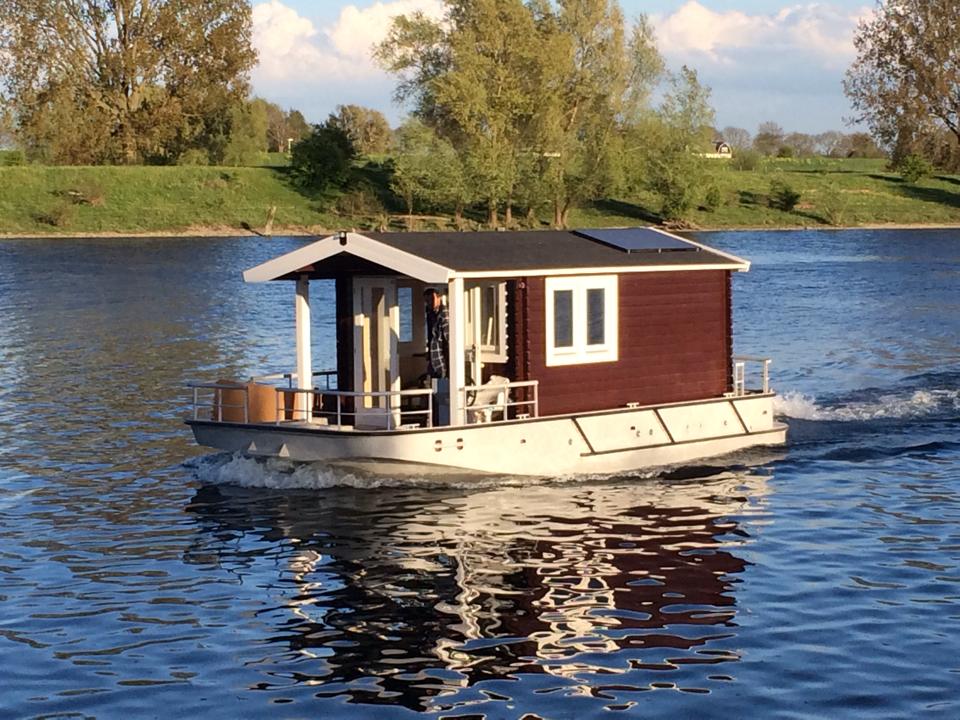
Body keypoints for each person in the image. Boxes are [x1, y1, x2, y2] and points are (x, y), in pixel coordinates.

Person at [423, 288, 449, 379]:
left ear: (439, 298)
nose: (429, 303)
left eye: (431, 299)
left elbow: (448, 336)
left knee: (441, 378)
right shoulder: (430, 313)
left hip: (441, 356)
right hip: (434, 355)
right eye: (427, 301)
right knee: (432, 379)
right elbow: (430, 335)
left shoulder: (444, 314)